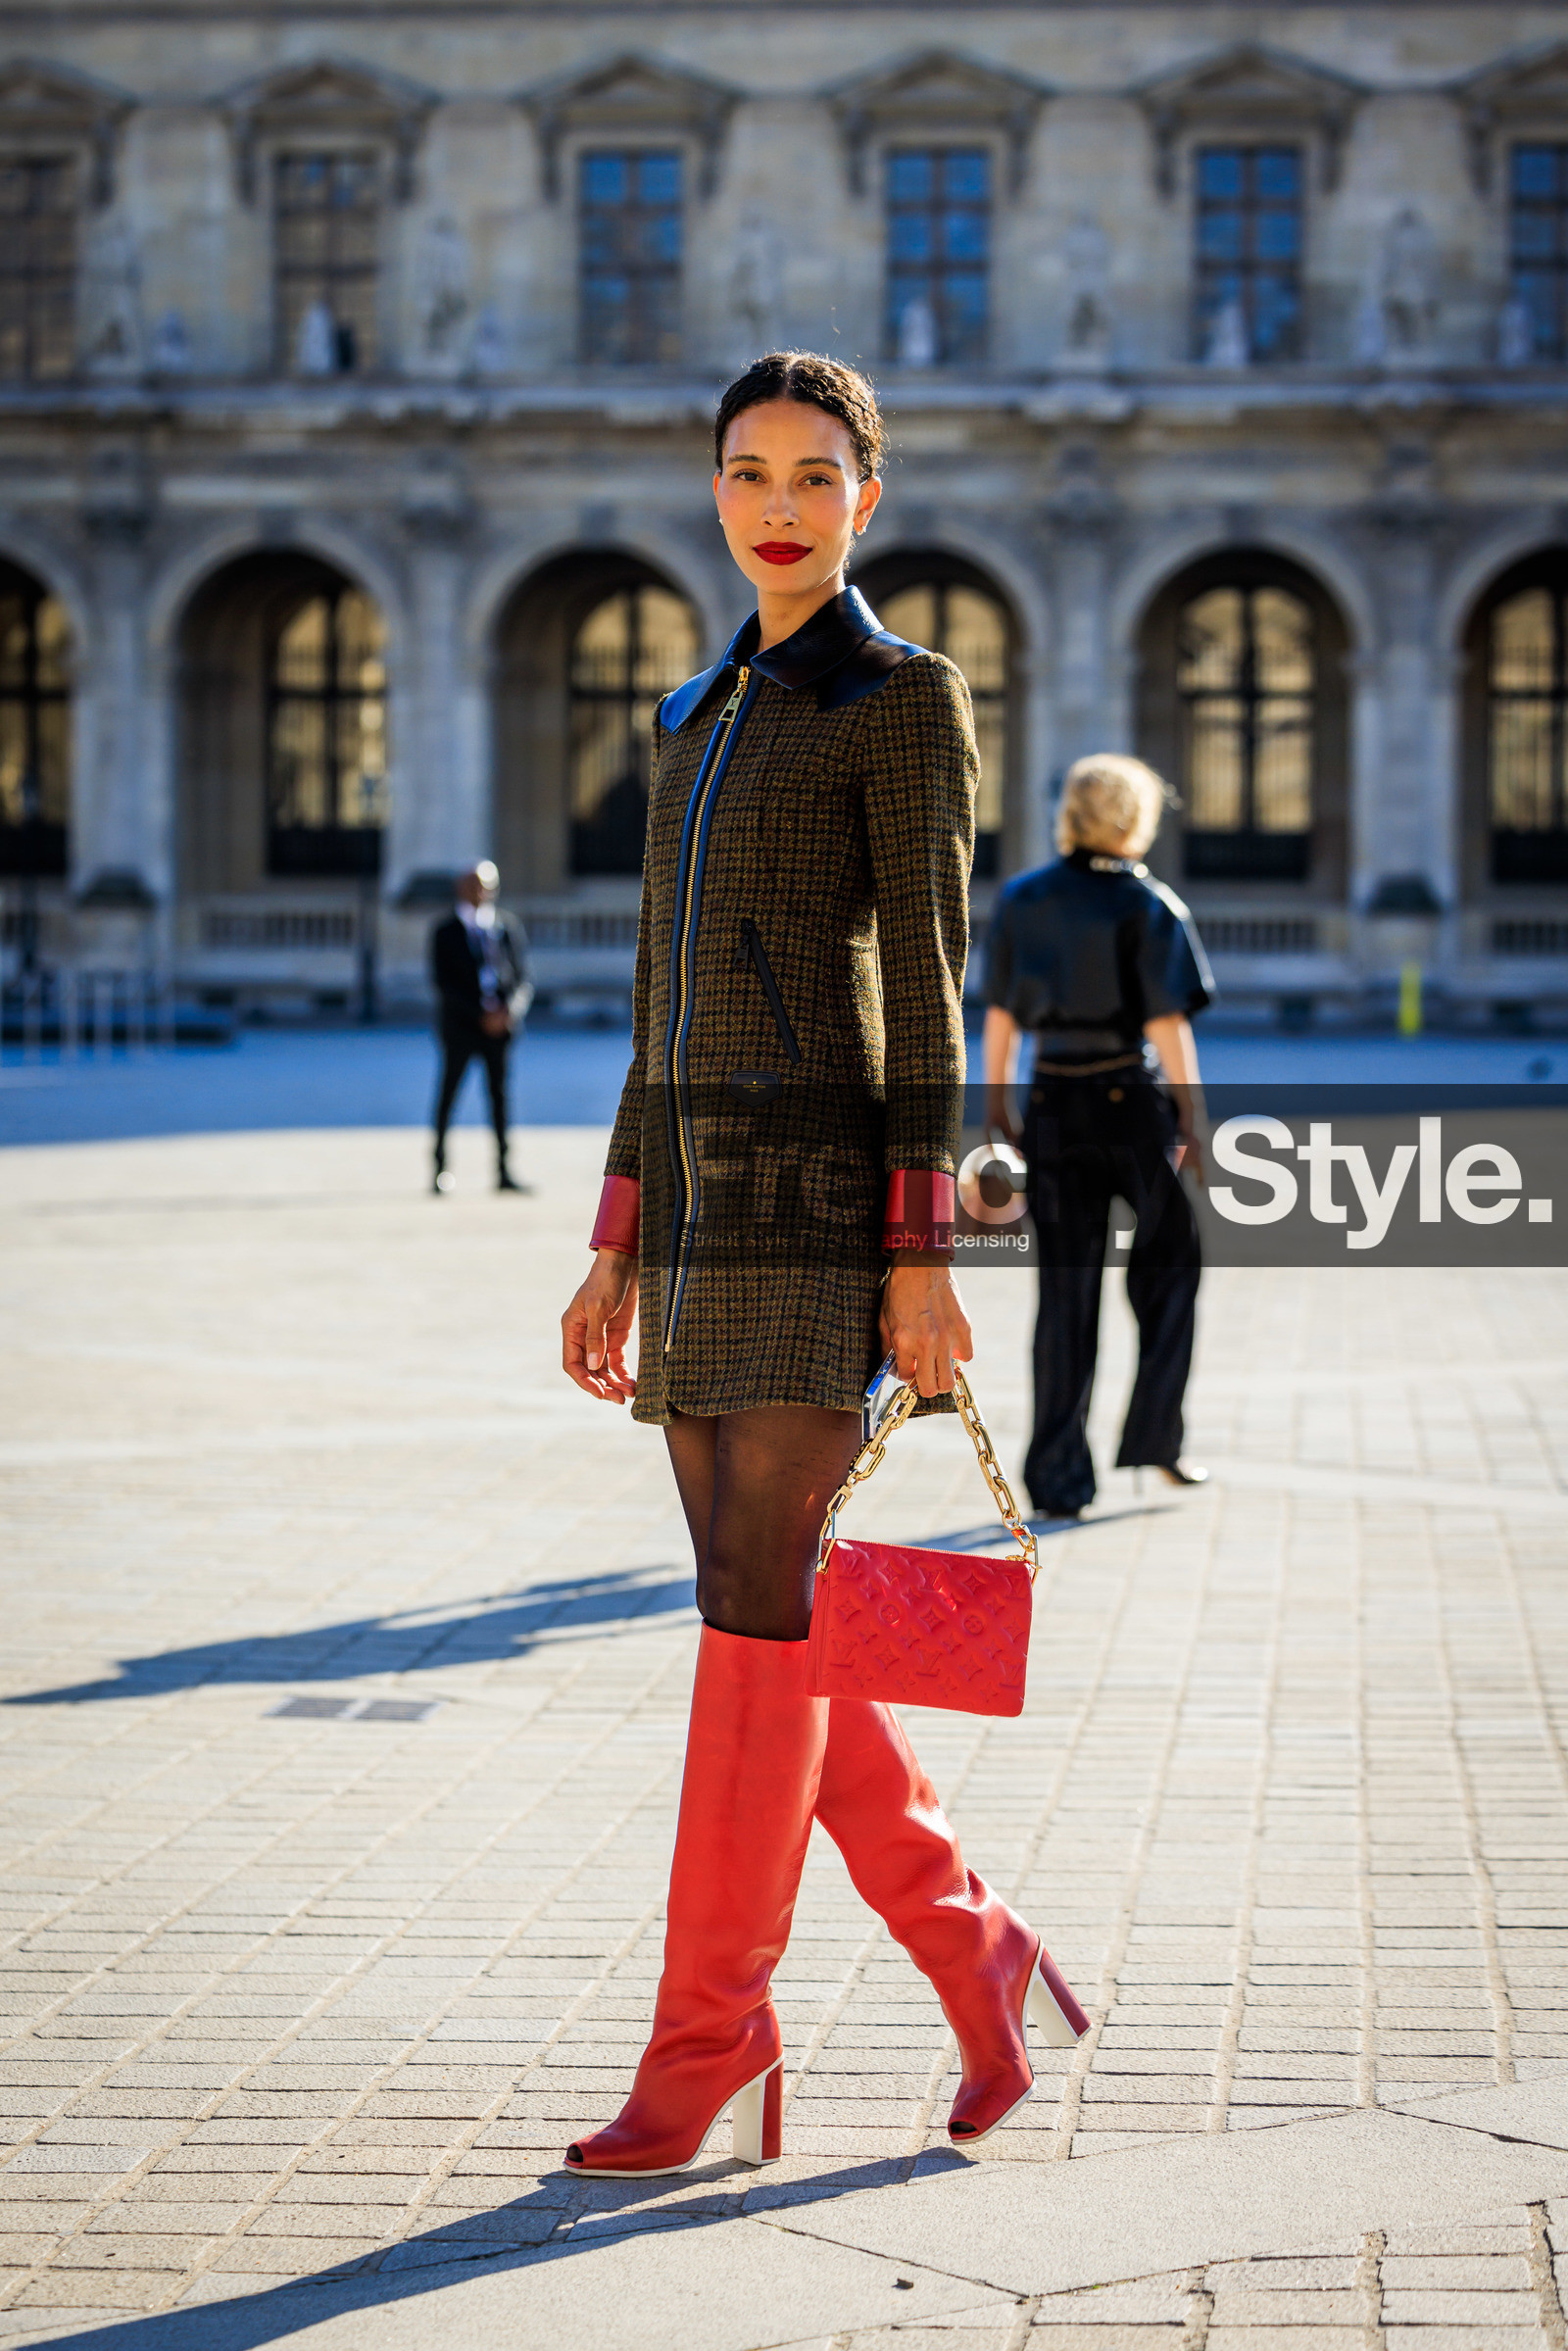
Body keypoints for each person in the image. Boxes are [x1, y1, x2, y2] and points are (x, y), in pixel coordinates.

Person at [558, 351, 1090, 2178]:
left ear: (870, 492)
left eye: (813, 473)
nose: (777, 505)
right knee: (770, 1605)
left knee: (750, 1618)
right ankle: (976, 1948)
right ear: (714, 488)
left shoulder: (902, 693)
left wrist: (922, 1250)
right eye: (746, 471)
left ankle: (708, 2037)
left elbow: (931, 984)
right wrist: (616, 1236)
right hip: (702, 1207)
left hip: (821, 1198)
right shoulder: (695, 712)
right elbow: (658, 1000)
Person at [983, 755, 1214, 1521]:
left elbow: (1002, 1014)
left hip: (1051, 1099)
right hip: (1130, 1104)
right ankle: (1156, 1438)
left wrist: (999, 1102)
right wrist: (1193, 1114)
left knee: (1065, 1293)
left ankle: (1057, 1478)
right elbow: (1166, 1022)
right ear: (1134, 816)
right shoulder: (1148, 902)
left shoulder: (1022, 897)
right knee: (1171, 1263)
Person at [429, 861, 532, 1194]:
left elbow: (522, 979)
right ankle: (439, 1167)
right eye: (474, 885)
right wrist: (480, 1014)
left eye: (487, 886)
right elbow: (443, 983)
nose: (481, 892)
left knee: (499, 1097)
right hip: (462, 1027)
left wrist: (510, 1011)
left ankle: (503, 1170)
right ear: (461, 888)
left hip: (500, 1029)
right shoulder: (445, 931)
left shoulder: (506, 927)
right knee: (449, 1095)